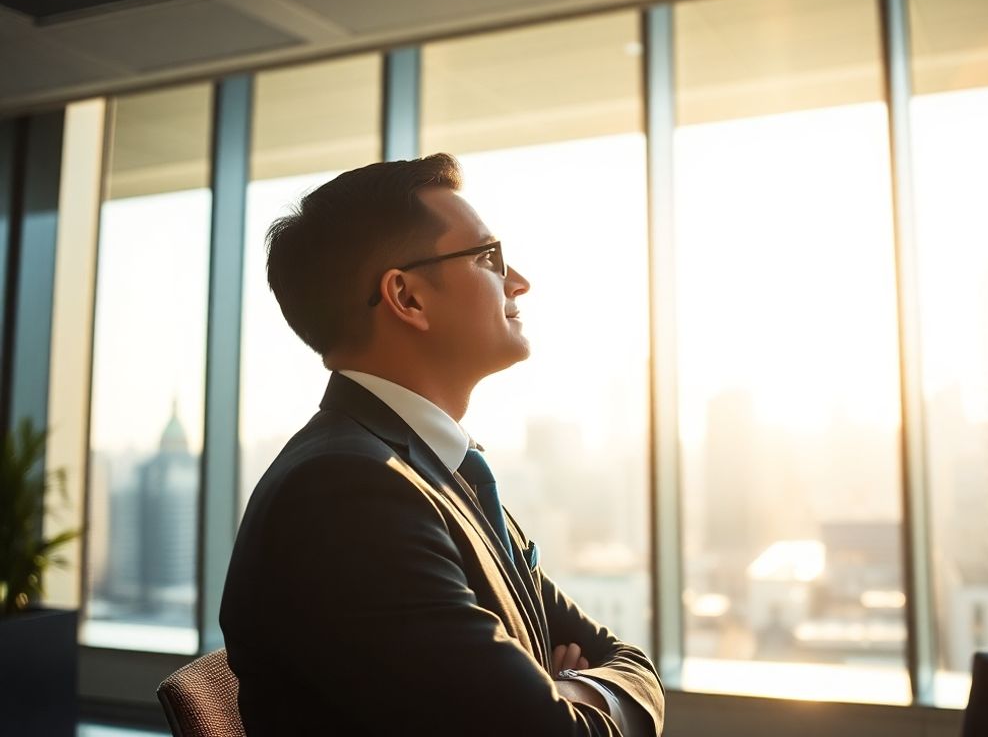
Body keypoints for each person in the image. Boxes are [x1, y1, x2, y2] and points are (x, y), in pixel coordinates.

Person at [220, 154, 664, 735]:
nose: (519, 281)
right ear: (407, 298)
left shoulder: (434, 471)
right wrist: (560, 693)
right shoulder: (347, 494)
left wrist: (574, 688)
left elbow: (632, 665)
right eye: (487, 257)